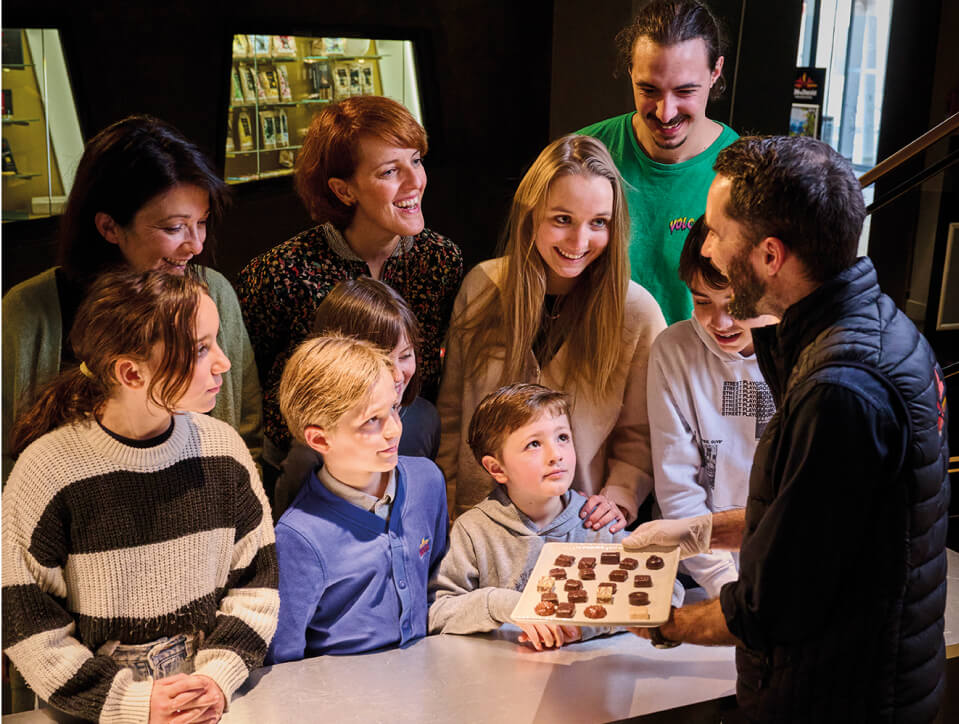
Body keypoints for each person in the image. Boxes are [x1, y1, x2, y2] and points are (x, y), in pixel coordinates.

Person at [624, 135, 950, 722]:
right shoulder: (878, 326)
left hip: (841, 697)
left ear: (770, 256)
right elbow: (817, 517)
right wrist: (699, 531)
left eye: (718, 233)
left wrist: (666, 622)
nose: (710, 250)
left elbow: (771, 605)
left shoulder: (841, 389)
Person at [2, 270, 279, 723]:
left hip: (210, 711)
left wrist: (217, 677)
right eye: (201, 348)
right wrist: (131, 703)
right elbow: (27, 621)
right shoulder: (47, 470)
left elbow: (256, 587)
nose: (224, 363)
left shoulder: (224, 451)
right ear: (131, 372)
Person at [2, 115, 262, 481]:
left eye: (201, 222)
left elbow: (247, 433)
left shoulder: (213, 292)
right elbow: (8, 461)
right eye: (174, 227)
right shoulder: (29, 312)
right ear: (109, 227)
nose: (196, 244)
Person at [437, 133, 666, 528]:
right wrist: (448, 510)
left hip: (579, 527)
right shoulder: (481, 287)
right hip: (481, 525)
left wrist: (619, 497)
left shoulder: (637, 311)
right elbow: (452, 416)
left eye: (599, 223)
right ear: (531, 213)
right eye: (562, 219)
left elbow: (641, 435)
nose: (579, 241)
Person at [236, 96, 463, 488]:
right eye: (390, 171)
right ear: (344, 191)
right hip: (310, 453)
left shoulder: (440, 260)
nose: (415, 182)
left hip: (402, 437)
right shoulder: (278, 273)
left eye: (416, 160)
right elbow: (250, 390)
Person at [268, 335, 448, 662]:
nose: (394, 429)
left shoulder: (428, 481)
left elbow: (438, 582)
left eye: (393, 408)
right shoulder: (298, 538)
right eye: (371, 421)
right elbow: (283, 661)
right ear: (320, 439)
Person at [429, 383, 625, 649]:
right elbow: (437, 612)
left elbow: (665, 595)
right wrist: (501, 604)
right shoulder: (473, 530)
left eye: (562, 438)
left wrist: (584, 626)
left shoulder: (597, 523)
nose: (556, 455)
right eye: (534, 444)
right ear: (497, 468)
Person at [578, 0, 738, 324]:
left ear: (715, 72)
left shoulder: (744, 174)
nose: (666, 113)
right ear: (630, 72)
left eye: (685, 91)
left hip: (696, 370)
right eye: (648, 89)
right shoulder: (582, 155)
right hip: (593, 366)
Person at [647, 216, 776, 602]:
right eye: (701, 300)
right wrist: (725, 586)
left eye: (734, 304)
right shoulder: (674, 351)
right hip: (693, 569)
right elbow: (677, 487)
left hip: (784, 568)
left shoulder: (800, 351)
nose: (719, 322)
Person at [272, 277, 441, 519]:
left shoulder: (426, 418)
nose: (395, 375)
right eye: (380, 358)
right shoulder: (312, 451)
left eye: (405, 355)